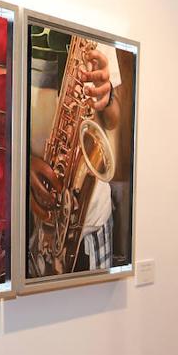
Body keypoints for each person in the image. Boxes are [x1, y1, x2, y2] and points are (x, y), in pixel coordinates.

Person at [27, 27, 122, 274]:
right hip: (36, 216)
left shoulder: (92, 33)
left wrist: (108, 94)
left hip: (93, 223)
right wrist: (22, 163)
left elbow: (113, 119)